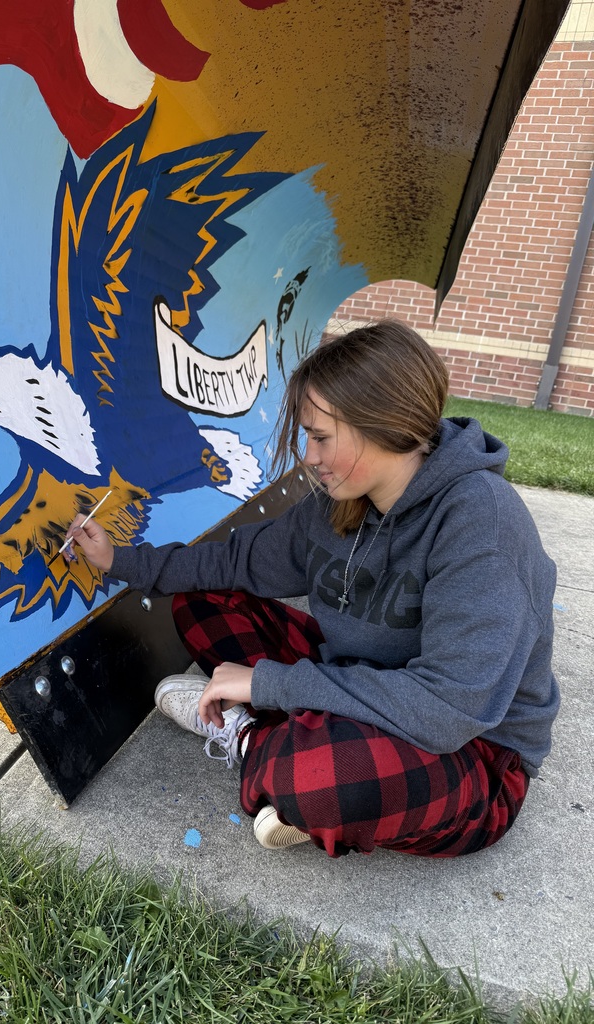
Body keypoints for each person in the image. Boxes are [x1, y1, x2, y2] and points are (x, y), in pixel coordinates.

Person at [63, 319, 559, 859]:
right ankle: (286, 742)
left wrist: (271, 684)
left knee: (317, 780)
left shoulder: (481, 520)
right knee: (203, 600)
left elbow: (447, 708)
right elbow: (235, 560)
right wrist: (120, 560)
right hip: (358, 678)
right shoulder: (338, 502)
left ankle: (253, 740)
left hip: (472, 752)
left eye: (320, 437)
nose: (308, 455)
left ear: (386, 424)